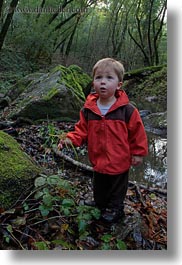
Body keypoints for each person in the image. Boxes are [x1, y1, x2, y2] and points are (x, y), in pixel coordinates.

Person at [58, 58, 148, 223]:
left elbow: (138, 133)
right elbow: (81, 131)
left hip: (119, 160)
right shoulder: (89, 110)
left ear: (119, 85)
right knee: (99, 186)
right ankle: (99, 204)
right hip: (98, 159)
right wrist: (70, 139)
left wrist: (138, 153)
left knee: (116, 189)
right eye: (98, 78)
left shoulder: (127, 110)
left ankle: (115, 209)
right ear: (93, 83)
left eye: (109, 78)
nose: (103, 82)